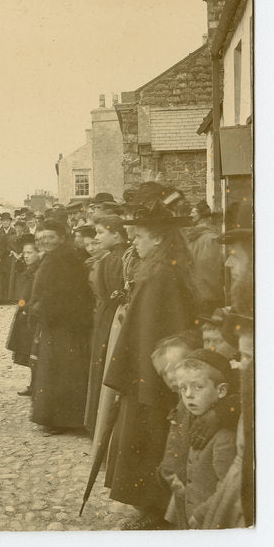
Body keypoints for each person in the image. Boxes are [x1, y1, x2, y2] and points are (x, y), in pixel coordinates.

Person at [103, 202, 197, 530]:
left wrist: (150, 378)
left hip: (154, 377)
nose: (134, 242)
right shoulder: (157, 270)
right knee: (144, 437)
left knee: (153, 440)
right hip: (145, 374)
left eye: (139, 236)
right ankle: (149, 506)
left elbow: (168, 331)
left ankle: (155, 510)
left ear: (158, 239)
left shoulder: (163, 276)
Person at [27, 219, 94, 434]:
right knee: (54, 369)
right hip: (55, 322)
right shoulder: (53, 257)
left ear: (62, 238)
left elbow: (65, 295)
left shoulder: (64, 259)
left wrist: (40, 308)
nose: (46, 241)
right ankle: (55, 417)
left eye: (51, 237)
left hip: (64, 324)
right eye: (43, 238)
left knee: (61, 370)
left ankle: (60, 419)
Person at [159, 350, 238, 529]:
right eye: (183, 388)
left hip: (210, 518)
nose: (188, 395)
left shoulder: (225, 437)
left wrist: (201, 514)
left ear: (221, 391)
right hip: (187, 508)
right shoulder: (188, 419)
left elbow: (227, 487)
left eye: (198, 387)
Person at [84, 214, 130, 434]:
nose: (97, 237)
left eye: (101, 232)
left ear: (117, 234)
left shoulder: (113, 259)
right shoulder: (117, 257)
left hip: (108, 317)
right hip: (111, 316)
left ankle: (98, 423)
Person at [5, 234, 40, 395]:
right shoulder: (29, 270)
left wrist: (26, 308)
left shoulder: (38, 271)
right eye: (24, 253)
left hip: (33, 315)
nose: (26, 256)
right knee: (29, 350)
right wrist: (21, 306)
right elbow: (22, 295)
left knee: (34, 351)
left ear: (38, 253)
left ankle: (36, 385)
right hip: (25, 312)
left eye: (29, 253)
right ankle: (33, 384)